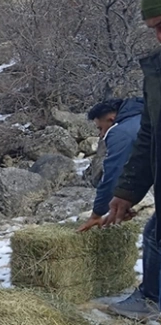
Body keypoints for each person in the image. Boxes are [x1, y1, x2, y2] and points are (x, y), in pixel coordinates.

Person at [103, 0, 161, 320]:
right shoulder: (155, 71)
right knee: (155, 232)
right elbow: (149, 136)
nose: (159, 37)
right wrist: (126, 192)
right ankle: (151, 298)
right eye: (154, 28)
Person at [76, 98, 155, 318]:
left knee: (154, 235)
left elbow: (114, 176)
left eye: (101, 128)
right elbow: (146, 168)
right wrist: (129, 200)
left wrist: (97, 212)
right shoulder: (145, 117)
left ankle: (151, 301)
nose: (101, 135)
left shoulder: (121, 132)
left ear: (111, 118)